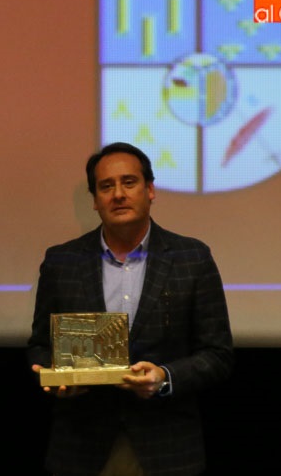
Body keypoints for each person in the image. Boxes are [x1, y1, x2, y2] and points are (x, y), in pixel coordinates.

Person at [26, 142, 235, 476]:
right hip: (81, 447)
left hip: (167, 448)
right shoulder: (61, 261)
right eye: (106, 186)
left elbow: (218, 353)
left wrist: (165, 378)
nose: (118, 194)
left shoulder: (192, 258)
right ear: (94, 201)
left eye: (129, 182)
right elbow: (39, 345)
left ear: (150, 190)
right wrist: (57, 378)